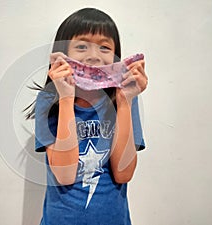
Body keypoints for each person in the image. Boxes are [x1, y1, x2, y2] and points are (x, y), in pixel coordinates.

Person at [26, 7, 148, 225]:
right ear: (63, 52)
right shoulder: (49, 100)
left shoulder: (125, 98)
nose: (93, 56)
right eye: (81, 46)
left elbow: (124, 173)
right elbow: (65, 175)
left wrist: (125, 102)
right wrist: (65, 98)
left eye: (104, 47)